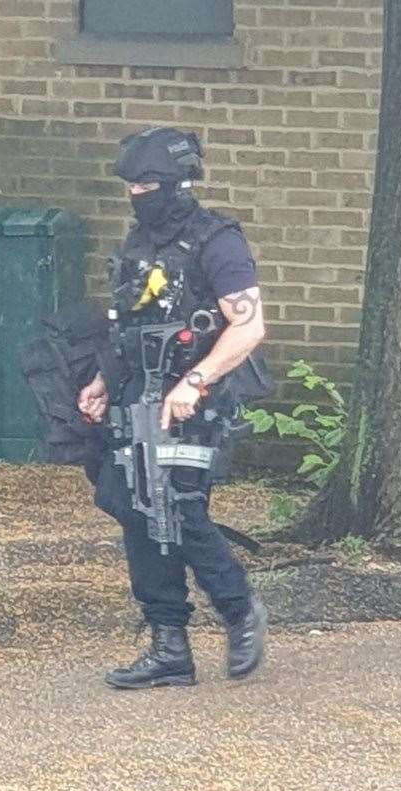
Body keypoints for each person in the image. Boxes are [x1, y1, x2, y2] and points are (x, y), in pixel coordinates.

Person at [78, 127, 268, 690]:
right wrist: (102, 381)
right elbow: (128, 325)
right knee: (136, 506)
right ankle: (169, 646)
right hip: (138, 396)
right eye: (132, 184)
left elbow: (250, 325)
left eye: (149, 183)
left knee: (179, 507)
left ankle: (239, 611)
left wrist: (197, 380)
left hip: (195, 402)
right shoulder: (138, 243)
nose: (138, 192)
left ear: (180, 183)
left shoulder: (218, 241)